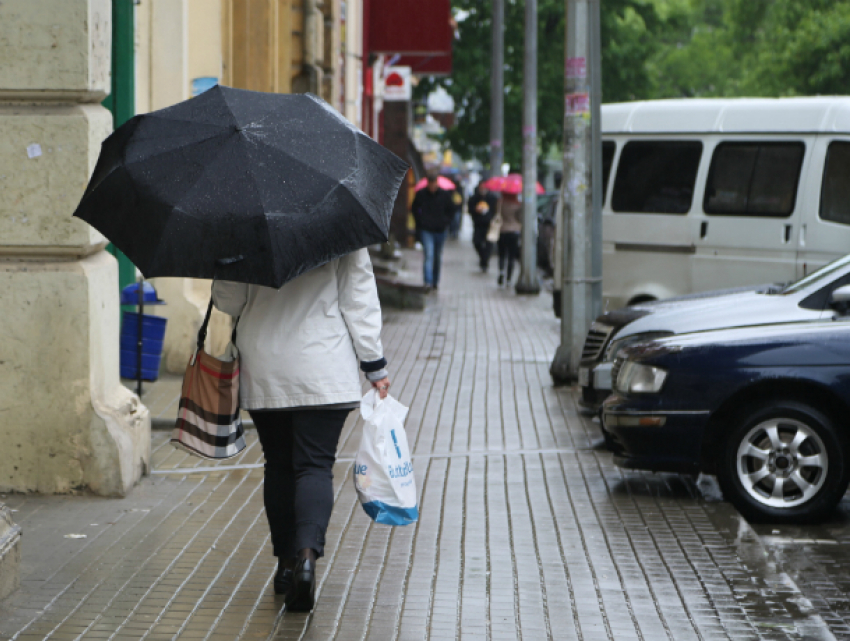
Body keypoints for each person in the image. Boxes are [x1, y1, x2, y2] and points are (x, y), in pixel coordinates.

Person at [211, 248, 390, 612]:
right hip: (323, 364)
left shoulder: (245, 225)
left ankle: (286, 564)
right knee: (314, 466)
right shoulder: (342, 220)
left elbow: (229, 302)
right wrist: (374, 364)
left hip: (265, 364)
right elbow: (358, 295)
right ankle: (307, 557)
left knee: (278, 466)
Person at [410, 170, 456, 291]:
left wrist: (445, 222)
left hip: (440, 230)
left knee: (437, 256)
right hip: (427, 229)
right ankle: (428, 281)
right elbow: (414, 208)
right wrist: (420, 221)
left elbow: (452, 210)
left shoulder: (445, 195)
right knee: (429, 254)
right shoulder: (421, 194)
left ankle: (435, 281)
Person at [468, 181, 499, 272]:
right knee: (476, 242)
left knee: (489, 244)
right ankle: (483, 258)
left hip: (489, 224)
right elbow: (470, 210)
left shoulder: (492, 198)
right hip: (478, 224)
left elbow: (495, 211)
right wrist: (475, 210)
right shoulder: (474, 198)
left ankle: (485, 261)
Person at [497, 193, 522, 286]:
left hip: (503, 230)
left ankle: (501, 272)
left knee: (502, 254)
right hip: (514, 231)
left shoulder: (501, 203)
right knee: (511, 256)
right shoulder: (518, 204)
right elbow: (520, 218)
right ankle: (508, 278)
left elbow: (497, 214)